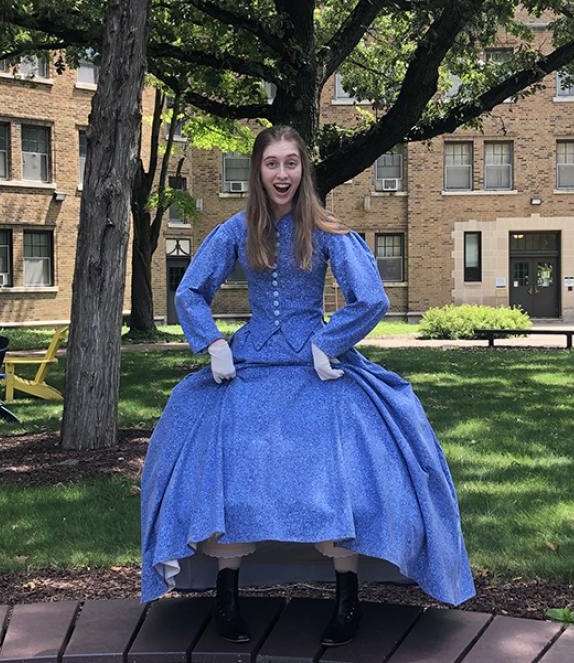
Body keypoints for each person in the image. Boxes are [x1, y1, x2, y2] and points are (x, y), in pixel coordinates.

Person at [140, 125, 475, 646]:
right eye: (271, 163)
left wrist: (329, 343)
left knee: (336, 459)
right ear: (257, 170)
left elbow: (371, 299)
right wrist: (212, 344)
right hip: (250, 359)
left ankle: (347, 596)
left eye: (290, 163)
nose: (281, 174)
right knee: (226, 453)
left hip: (315, 363)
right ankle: (226, 595)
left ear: (304, 169)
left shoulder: (326, 230)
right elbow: (190, 292)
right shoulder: (234, 230)